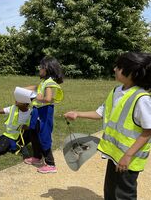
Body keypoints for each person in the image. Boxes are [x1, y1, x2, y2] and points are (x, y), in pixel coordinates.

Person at [64, 52, 151, 199]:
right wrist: (77, 114)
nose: (114, 69)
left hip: (129, 158)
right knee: (110, 192)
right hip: (114, 153)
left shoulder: (141, 99)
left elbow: (148, 130)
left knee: (123, 195)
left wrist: (128, 156)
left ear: (132, 73)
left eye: (119, 67)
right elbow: (101, 113)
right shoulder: (116, 91)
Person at [23, 56, 64, 174]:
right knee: (33, 132)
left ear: (47, 68)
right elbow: (38, 91)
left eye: (41, 67)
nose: (39, 69)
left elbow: (48, 98)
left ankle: (51, 164)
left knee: (44, 136)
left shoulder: (49, 82)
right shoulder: (44, 81)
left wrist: (38, 97)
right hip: (37, 111)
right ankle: (37, 157)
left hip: (44, 112)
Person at [0, 87, 35, 156]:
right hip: (9, 135)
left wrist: (27, 127)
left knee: (33, 131)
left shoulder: (31, 112)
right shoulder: (13, 108)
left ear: (25, 104)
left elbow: (34, 125)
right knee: (0, 150)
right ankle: (15, 146)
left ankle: (19, 144)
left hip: (21, 136)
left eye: (18, 100)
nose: (16, 101)